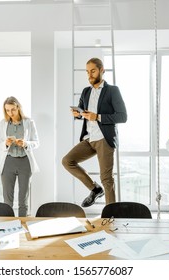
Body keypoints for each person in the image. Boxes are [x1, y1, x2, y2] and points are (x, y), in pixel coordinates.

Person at [62, 57, 127, 208]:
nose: (89, 75)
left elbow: (122, 116)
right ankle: (95, 189)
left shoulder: (112, 90)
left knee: (107, 178)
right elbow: (82, 112)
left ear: (102, 70)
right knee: (67, 161)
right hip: (89, 138)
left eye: (93, 71)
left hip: (104, 138)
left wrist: (97, 116)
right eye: (87, 72)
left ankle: (111, 215)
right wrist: (77, 114)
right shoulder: (86, 92)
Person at [0, 96, 39, 217]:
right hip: (8, 162)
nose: (10, 113)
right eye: (7, 110)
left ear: (18, 108)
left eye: (13, 109)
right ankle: (7, 224)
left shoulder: (29, 122)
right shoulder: (2, 124)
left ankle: (22, 225)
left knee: (23, 199)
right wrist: (6, 143)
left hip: (25, 162)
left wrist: (26, 143)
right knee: (7, 199)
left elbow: (36, 142)